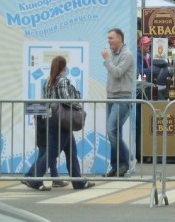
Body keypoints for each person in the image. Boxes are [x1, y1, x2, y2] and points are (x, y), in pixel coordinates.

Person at [23, 56, 94, 191]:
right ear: (64, 67)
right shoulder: (62, 80)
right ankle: (32, 177)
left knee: (71, 151)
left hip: (52, 119)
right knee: (52, 153)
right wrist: (77, 104)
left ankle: (78, 182)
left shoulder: (48, 81)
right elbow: (65, 100)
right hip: (61, 122)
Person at [102, 28, 135, 178]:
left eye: (111, 38)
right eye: (108, 38)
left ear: (119, 39)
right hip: (112, 97)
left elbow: (116, 73)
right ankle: (116, 165)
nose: (109, 41)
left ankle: (127, 159)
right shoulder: (115, 54)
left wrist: (107, 59)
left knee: (111, 130)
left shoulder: (127, 55)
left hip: (122, 98)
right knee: (115, 132)